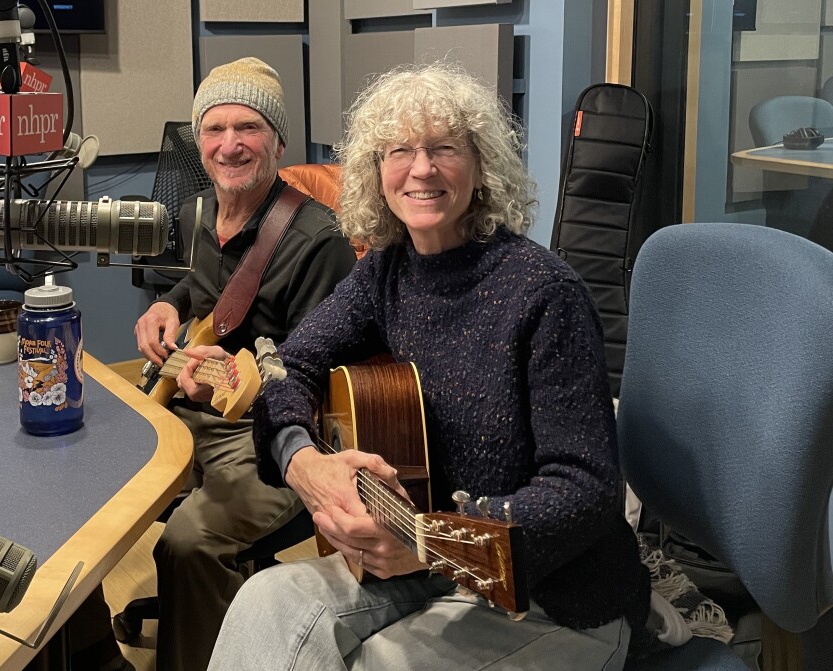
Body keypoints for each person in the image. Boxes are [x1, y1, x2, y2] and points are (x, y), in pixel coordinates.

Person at [200, 62, 651, 670]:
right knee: (264, 601)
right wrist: (302, 461)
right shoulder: (387, 271)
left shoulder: (544, 293)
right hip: (428, 566)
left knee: (379, 663)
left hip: (553, 596)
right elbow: (289, 364)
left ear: (481, 165)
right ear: (374, 171)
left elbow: (587, 491)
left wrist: (436, 547)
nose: (421, 169)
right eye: (400, 150)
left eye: (444, 148)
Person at [132, 56, 356, 671]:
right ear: (197, 140)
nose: (229, 145)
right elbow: (206, 293)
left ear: (278, 141)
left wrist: (233, 390)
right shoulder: (199, 213)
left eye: (249, 128)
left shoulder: (319, 241)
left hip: (273, 433)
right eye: (215, 128)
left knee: (188, 541)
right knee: (92, 485)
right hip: (192, 409)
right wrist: (166, 306)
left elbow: (321, 382)